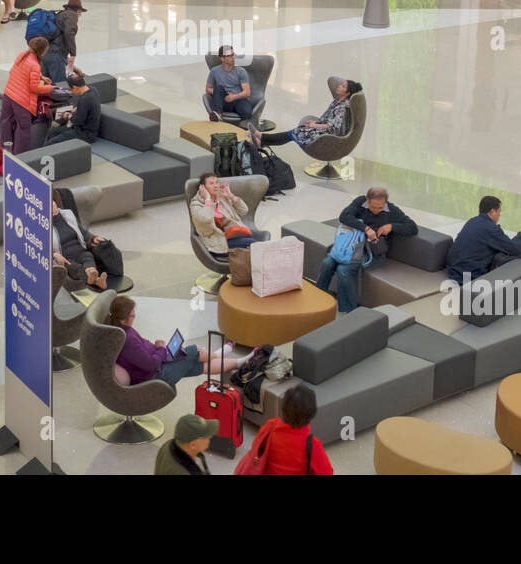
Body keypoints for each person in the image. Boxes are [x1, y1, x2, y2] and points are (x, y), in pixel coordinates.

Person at [316, 187, 419, 313]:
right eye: (373, 206)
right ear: (367, 200)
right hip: (349, 246)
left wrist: (392, 226)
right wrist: (366, 228)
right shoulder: (360, 202)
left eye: (380, 207)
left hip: (370, 252)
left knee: (343, 269)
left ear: (385, 202)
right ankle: (318, 299)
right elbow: (344, 216)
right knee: (327, 263)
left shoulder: (392, 211)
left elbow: (413, 228)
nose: (376, 210)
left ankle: (348, 311)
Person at [108, 295, 248, 387]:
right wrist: (161, 349)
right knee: (194, 351)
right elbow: (150, 364)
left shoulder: (121, 330)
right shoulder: (127, 340)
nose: (134, 317)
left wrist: (158, 348)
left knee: (199, 366)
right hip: (156, 376)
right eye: (132, 315)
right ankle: (219, 354)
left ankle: (239, 362)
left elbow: (142, 351)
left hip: (159, 365)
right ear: (122, 319)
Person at [241, 385, 333, 475]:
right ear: (311, 413)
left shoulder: (270, 426)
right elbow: (327, 472)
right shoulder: (312, 445)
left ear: (284, 407)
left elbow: (256, 449)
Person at [252, 77, 360, 149]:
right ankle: (262, 140)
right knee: (297, 131)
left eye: (343, 86)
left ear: (347, 93)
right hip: (323, 130)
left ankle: (262, 138)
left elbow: (333, 126)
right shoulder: (337, 101)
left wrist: (315, 125)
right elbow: (326, 119)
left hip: (329, 136)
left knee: (295, 132)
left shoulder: (343, 107)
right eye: (341, 84)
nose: (339, 86)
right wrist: (315, 122)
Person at [446, 195, 521, 282]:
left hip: (453, 271)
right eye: (499, 212)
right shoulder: (491, 229)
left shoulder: (472, 221)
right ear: (492, 212)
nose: (499, 215)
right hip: (467, 277)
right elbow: (514, 249)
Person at [0, 36, 54, 153]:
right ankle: (20, 157)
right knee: (23, 129)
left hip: (8, 94)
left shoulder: (23, 55)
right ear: (42, 51)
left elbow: (19, 71)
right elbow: (34, 87)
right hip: (21, 101)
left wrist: (40, 76)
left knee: (6, 123)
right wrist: (49, 88)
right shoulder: (35, 65)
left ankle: (5, 152)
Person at [51, 189, 110, 289]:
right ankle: (96, 281)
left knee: (88, 256)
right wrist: (53, 255)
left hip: (79, 250)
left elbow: (82, 232)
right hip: (64, 256)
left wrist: (93, 238)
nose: (52, 208)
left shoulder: (67, 215)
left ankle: (92, 273)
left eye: (53, 205)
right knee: (74, 268)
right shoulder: (41, 225)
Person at [190, 172, 259, 253]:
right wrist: (207, 199)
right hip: (219, 239)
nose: (216, 185)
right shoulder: (196, 204)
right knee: (256, 246)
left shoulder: (222, 198)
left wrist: (230, 195)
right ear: (203, 188)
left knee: (259, 246)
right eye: (211, 183)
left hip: (236, 232)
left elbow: (244, 211)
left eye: (217, 182)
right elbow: (206, 219)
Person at [44, 72, 100, 146]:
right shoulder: (93, 89)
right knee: (53, 131)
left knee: (51, 143)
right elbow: (86, 108)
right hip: (83, 129)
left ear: (75, 87)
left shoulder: (84, 100)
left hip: (86, 134)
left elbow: (78, 121)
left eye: (71, 89)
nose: (71, 92)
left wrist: (67, 115)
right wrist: (76, 109)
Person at [205, 45, 251, 122]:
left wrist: (233, 97)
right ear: (222, 58)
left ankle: (243, 129)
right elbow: (208, 89)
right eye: (229, 56)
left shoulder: (241, 71)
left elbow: (247, 92)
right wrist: (220, 93)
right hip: (223, 101)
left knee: (247, 112)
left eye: (233, 55)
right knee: (218, 88)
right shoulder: (214, 71)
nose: (233, 57)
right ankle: (218, 116)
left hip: (237, 99)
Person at [44, 0, 85, 76]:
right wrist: (73, 54)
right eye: (80, 12)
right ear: (78, 11)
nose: (80, 15)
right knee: (60, 85)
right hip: (56, 55)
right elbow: (69, 33)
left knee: (47, 82)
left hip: (46, 53)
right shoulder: (72, 15)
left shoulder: (60, 14)